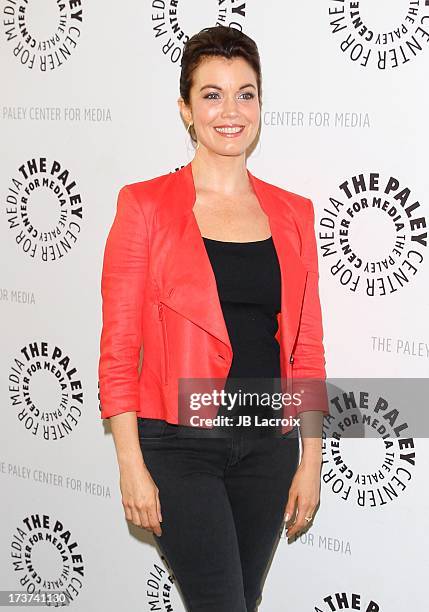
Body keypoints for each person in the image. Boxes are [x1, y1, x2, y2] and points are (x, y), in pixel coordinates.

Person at [98, 25, 328, 612]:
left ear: (260, 105)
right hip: (178, 447)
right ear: (185, 109)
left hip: (268, 446)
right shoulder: (144, 206)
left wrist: (311, 459)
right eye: (212, 94)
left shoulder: (294, 214)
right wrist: (131, 467)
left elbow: (306, 347)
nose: (231, 111)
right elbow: (119, 349)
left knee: (241, 603)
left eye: (245, 93)